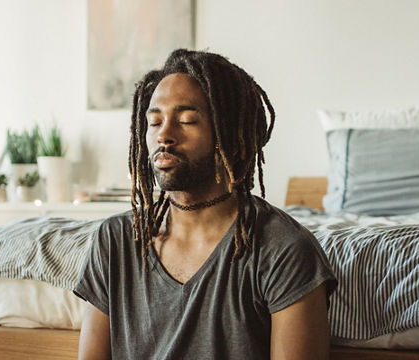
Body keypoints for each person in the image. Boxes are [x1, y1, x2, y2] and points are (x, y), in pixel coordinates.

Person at [72, 49, 338, 360]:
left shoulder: (283, 249)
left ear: (232, 135)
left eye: (186, 120)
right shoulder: (115, 241)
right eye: (154, 122)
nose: (164, 135)